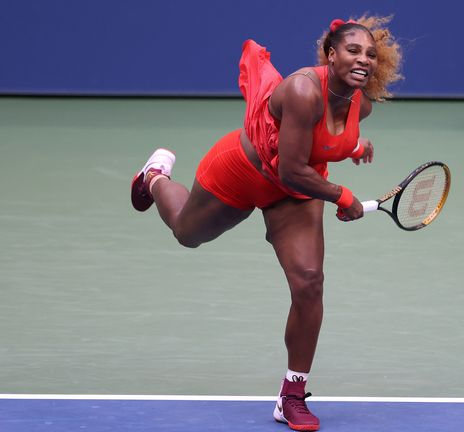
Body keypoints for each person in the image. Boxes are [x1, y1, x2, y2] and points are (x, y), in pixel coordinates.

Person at [130, 16, 402, 432]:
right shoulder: (301, 90)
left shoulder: (360, 104)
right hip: (243, 171)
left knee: (310, 281)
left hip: (293, 197)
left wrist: (354, 147)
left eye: (370, 54)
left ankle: (292, 394)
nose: (363, 59)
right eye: (352, 50)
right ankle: (156, 178)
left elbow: (323, 144)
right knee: (186, 233)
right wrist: (343, 196)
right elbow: (292, 169)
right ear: (331, 54)